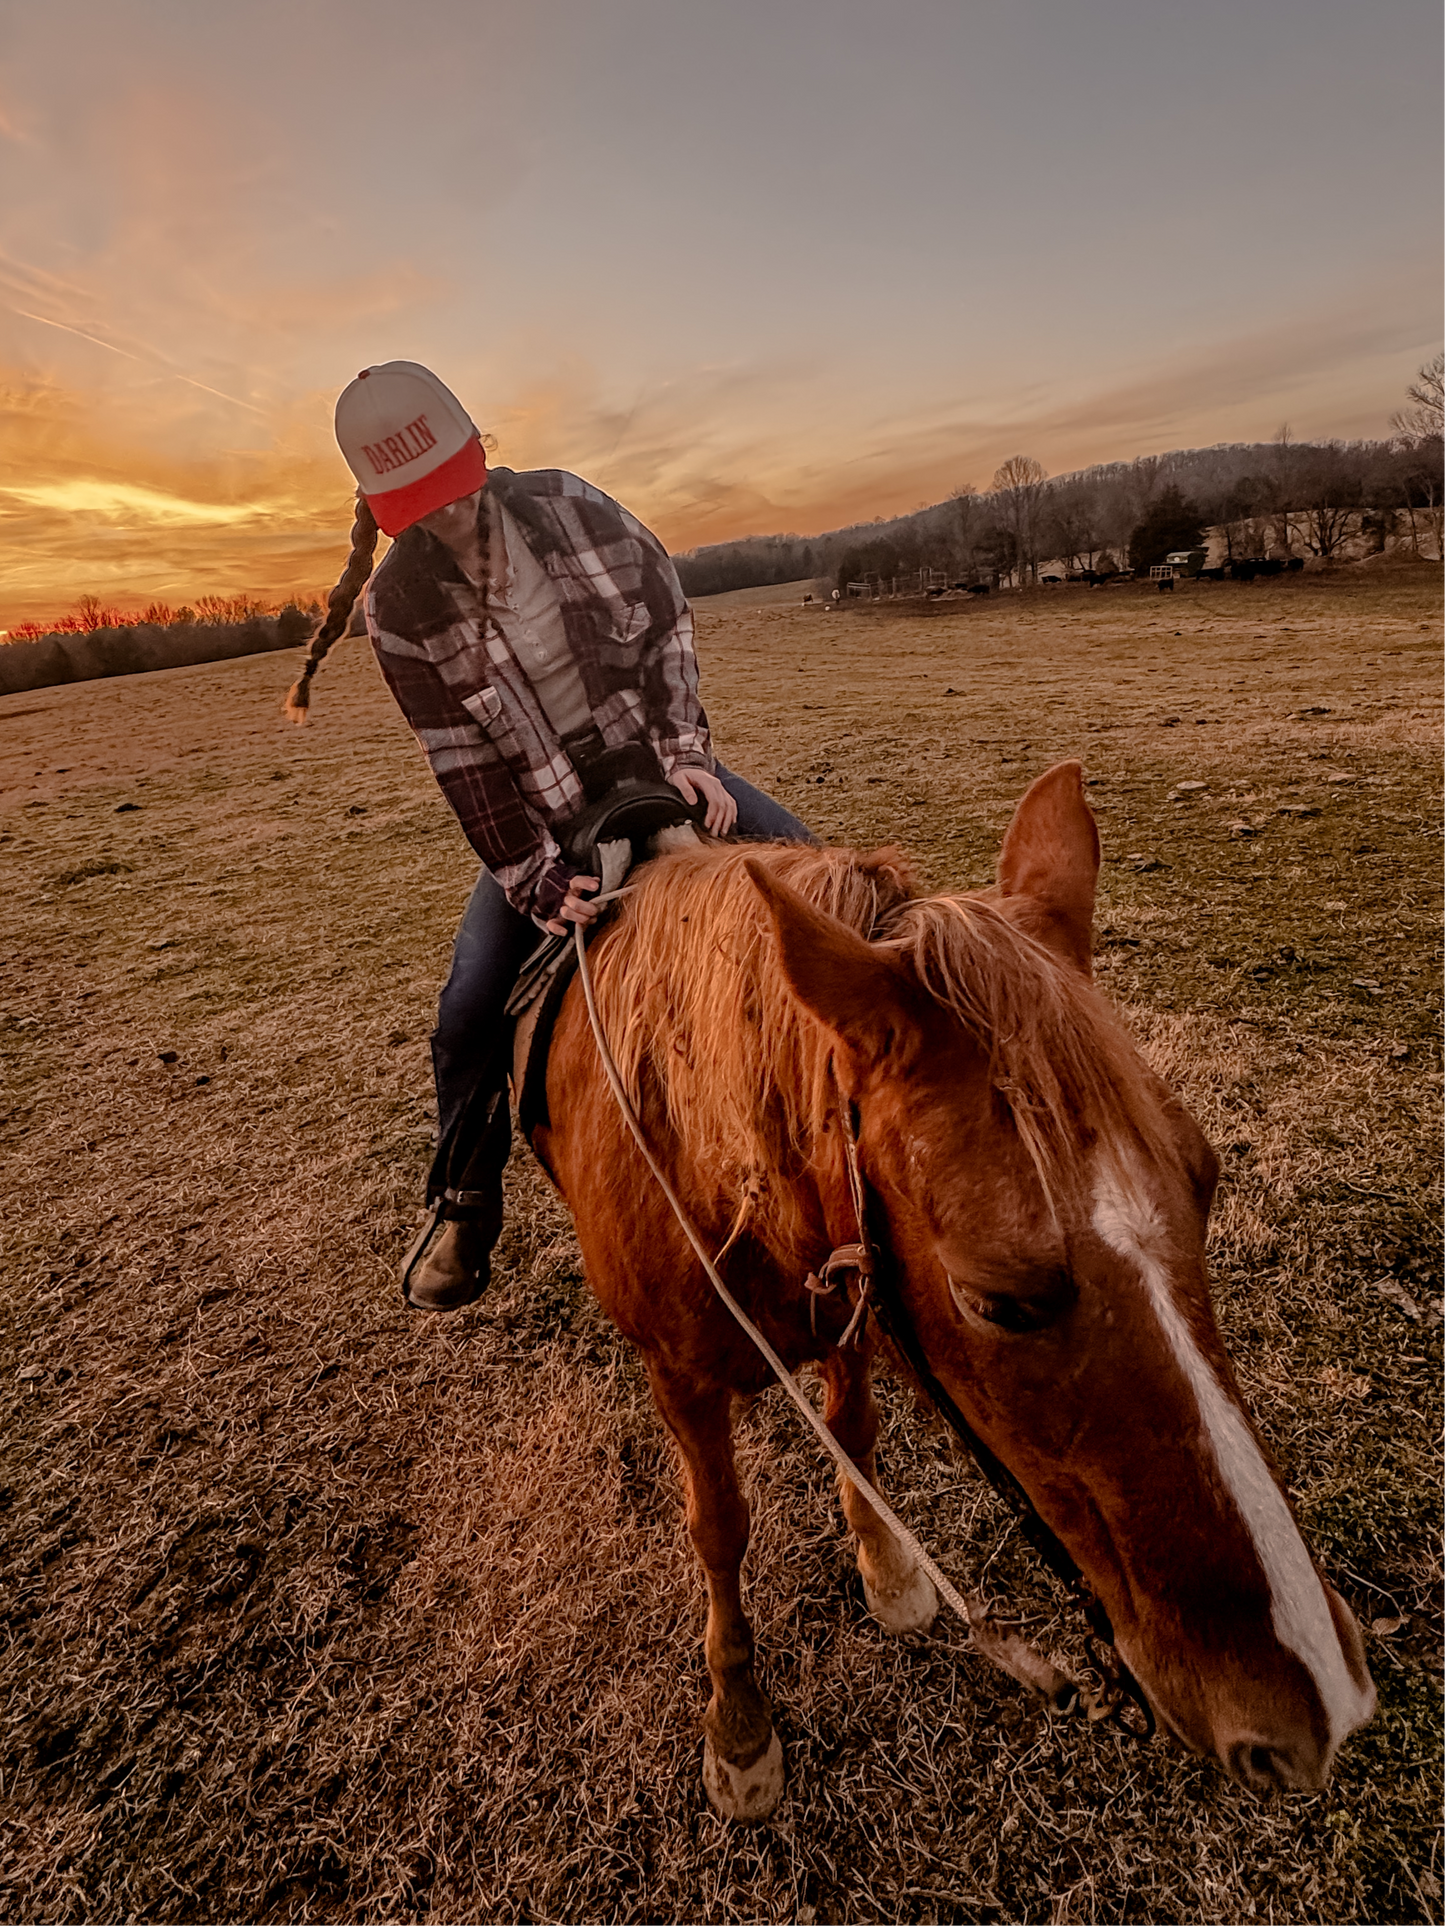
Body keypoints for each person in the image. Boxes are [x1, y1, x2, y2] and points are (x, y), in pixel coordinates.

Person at [284, 361, 813, 1312]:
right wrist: (531, 877)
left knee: (820, 886)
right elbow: (463, 764)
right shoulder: (395, 613)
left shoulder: (576, 508)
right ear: (379, 508)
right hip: (546, 822)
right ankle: (463, 1202)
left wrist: (689, 753)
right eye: (417, 509)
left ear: (479, 455)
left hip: (660, 772)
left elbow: (666, 627)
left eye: (451, 495)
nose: (444, 520)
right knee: (467, 1010)